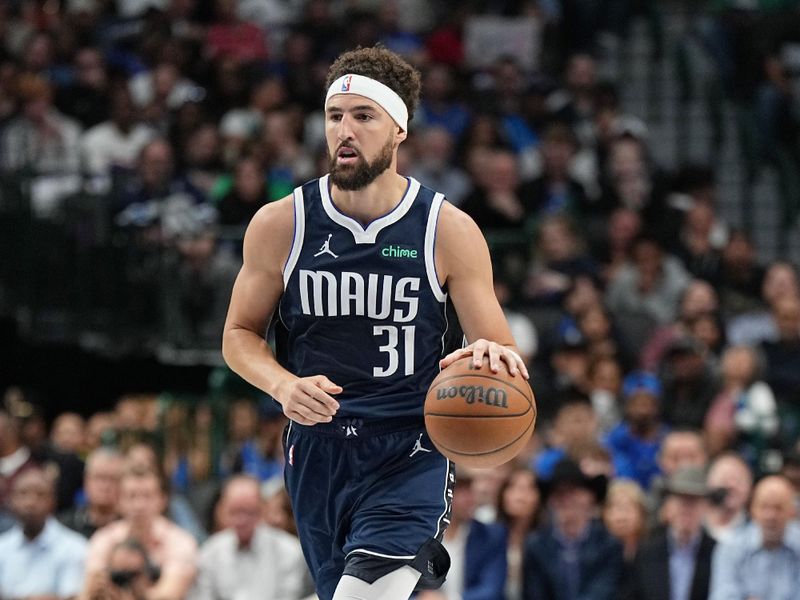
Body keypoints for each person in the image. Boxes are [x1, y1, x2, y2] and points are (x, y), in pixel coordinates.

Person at [221, 46, 528, 600]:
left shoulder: (446, 230)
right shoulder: (281, 224)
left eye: (364, 116)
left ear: (398, 130)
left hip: (409, 449)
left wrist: (495, 358)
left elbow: (498, 345)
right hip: (317, 450)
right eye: (336, 115)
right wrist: (282, 384)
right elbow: (238, 336)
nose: (345, 129)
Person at [81, 466, 198, 600]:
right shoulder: (103, 539)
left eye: (147, 496)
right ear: (119, 501)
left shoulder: (181, 541)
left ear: (162, 500)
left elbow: (170, 594)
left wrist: (137, 590)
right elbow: (92, 589)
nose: (139, 505)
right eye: (131, 496)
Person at [191, 475, 308, 600]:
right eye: (234, 512)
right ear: (222, 511)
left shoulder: (291, 552)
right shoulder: (209, 552)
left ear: (263, 509)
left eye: (249, 512)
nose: (241, 520)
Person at [523, 458, 623, 600]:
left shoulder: (608, 544)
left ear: (591, 497)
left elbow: (604, 590)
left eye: (573, 491)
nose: (566, 499)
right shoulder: (536, 545)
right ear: (550, 500)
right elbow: (535, 593)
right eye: (558, 493)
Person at [627, 466, 716, 600]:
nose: (686, 508)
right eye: (680, 500)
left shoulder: (717, 553)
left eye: (694, 501)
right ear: (668, 505)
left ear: (706, 507)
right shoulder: (646, 552)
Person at [0, 468, 88, 599]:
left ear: (53, 501)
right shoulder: (2, 547)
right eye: (23, 494)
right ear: (11, 501)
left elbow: (71, 597)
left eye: (40, 494)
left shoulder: (74, 547)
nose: (30, 502)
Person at [710, 475, 800, 600]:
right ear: (752, 510)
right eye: (764, 507)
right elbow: (722, 596)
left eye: (778, 508)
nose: (771, 516)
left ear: (792, 512)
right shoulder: (730, 548)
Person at [59, 447, 124, 539]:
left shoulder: (131, 528)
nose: (105, 486)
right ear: (86, 481)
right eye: (99, 478)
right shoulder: (64, 528)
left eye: (112, 479)